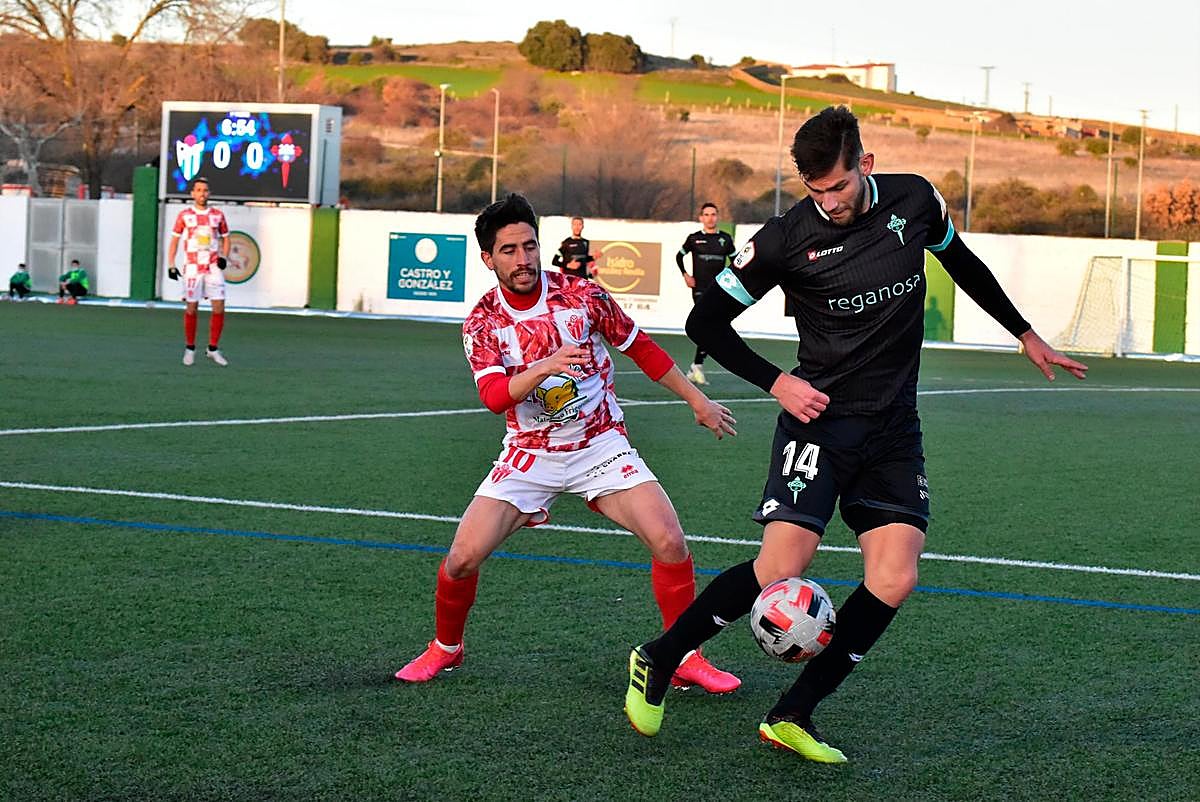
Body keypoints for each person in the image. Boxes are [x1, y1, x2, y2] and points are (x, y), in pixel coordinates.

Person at [624, 106, 1088, 763]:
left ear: (865, 164)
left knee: (895, 576)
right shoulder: (786, 238)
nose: (830, 202)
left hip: (894, 426)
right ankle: (661, 656)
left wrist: (1025, 333)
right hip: (818, 423)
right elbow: (706, 322)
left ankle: (792, 713)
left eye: (839, 186)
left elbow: (961, 261)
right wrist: (776, 382)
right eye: (816, 191)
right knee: (781, 568)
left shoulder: (915, 199)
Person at [394, 193, 742, 695]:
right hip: (529, 455)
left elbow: (641, 347)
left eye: (529, 246)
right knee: (461, 559)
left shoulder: (583, 295)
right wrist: (544, 366)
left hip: (600, 446)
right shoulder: (483, 322)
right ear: (488, 258)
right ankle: (446, 647)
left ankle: (684, 655)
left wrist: (697, 400)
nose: (523, 259)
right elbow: (494, 397)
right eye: (509, 250)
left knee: (669, 540)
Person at [167, 176, 231, 367]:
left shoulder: (217, 215)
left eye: (205, 190)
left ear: (209, 193)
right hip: (192, 267)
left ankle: (213, 348)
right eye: (199, 190)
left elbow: (226, 237)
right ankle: (190, 348)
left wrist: (224, 257)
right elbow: (174, 240)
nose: (202, 194)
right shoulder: (184, 215)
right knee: (191, 308)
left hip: (212, 267)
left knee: (219, 306)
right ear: (192, 193)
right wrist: (171, 264)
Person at [675, 202, 735, 385]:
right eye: (706, 214)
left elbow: (735, 262)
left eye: (713, 214)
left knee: (713, 326)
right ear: (701, 218)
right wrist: (685, 275)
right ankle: (697, 366)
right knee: (708, 323)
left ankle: (696, 366)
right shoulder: (694, 238)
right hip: (700, 289)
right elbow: (679, 256)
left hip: (718, 289)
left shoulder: (725, 239)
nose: (710, 218)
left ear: (718, 217)